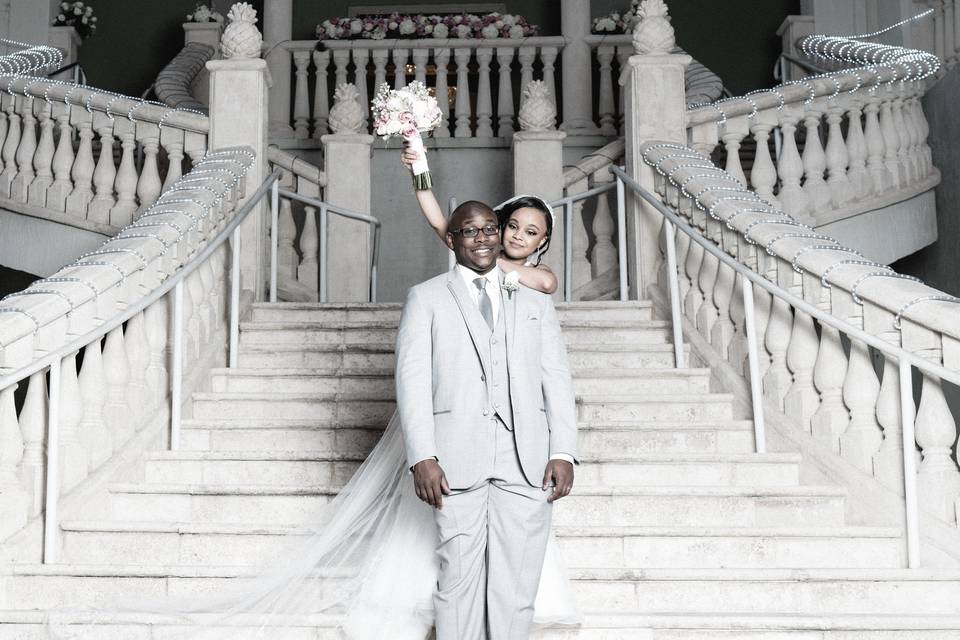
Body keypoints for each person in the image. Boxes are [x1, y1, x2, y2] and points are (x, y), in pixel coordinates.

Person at [395, 199, 579, 639]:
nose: (483, 238)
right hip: (454, 460)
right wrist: (423, 455)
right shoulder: (426, 298)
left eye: (490, 229)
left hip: (527, 460)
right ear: (452, 239)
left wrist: (563, 450)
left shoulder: (533, 295)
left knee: (517, 585)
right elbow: (413, 380)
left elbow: (556, 377)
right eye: (470, 231)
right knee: (457, 581)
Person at [401, 144, 558, 294]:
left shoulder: (537, 270)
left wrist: (495, 262)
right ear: (503, 226)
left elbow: (547, 284)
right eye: (513, 226)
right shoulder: (478, 251)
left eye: (530, 232)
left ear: (543, 240)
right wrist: (417, 170)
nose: (518, 236)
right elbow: (438, 223)